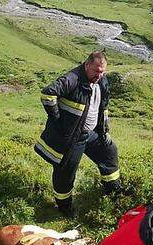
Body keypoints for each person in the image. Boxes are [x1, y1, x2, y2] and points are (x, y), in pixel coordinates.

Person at [36, 51, 130, 216]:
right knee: (66, 172)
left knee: (109, 152)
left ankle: (113, 191)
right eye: (95, 71)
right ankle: (64, 207)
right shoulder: (72, 79)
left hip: (91, 134)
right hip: (73, 138)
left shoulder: (102, 80)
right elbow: (47, 93)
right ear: (86, 65)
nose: (99, 75)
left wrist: (103, 130)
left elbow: (104, 106)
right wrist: (58, 120)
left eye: (102, 72)